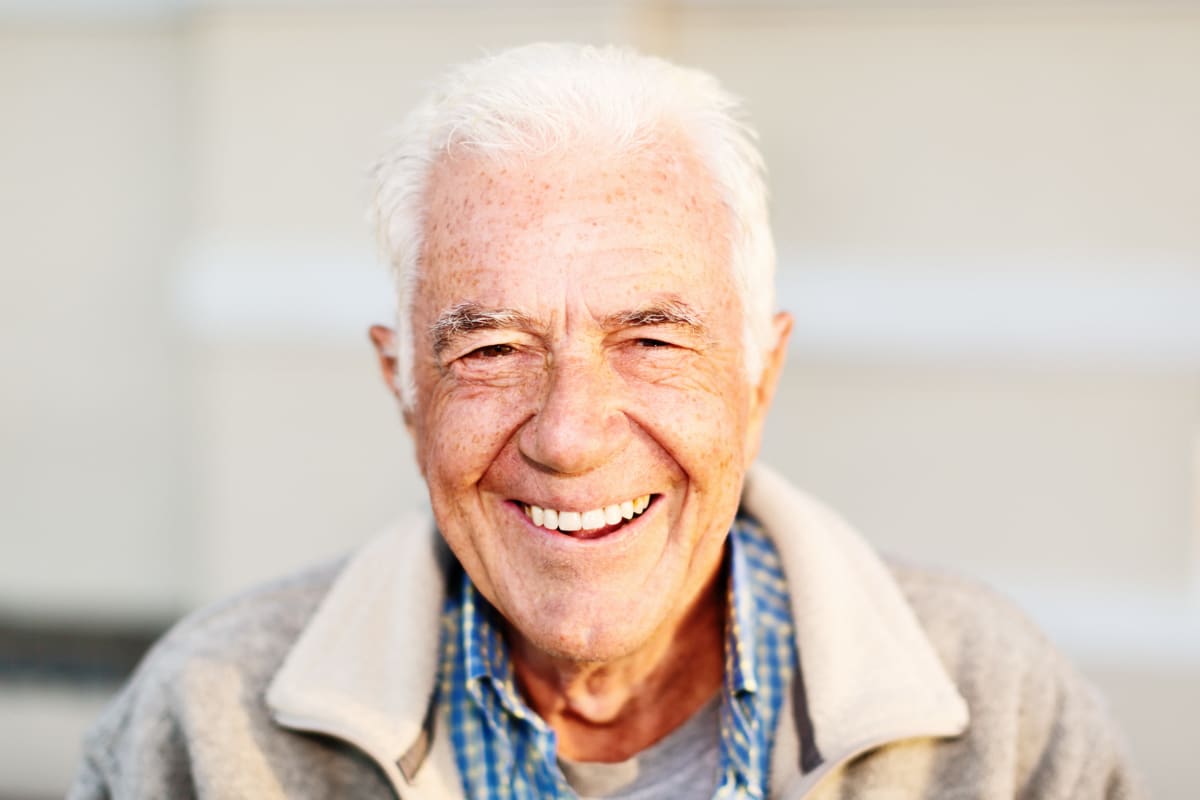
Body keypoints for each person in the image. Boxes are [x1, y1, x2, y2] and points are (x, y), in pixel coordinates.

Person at [71, 43, 1142, 799]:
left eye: (654, 337)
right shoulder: (204, 731)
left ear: (760, 372)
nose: (571, 433)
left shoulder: (999, 716)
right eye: (490, 348)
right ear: (402, 383)